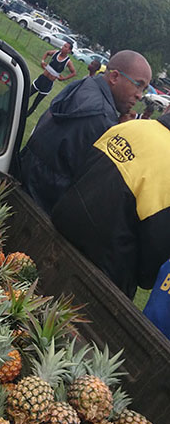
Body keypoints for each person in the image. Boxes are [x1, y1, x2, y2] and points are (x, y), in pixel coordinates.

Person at [51, 109, 170, 299]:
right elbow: (152, 266)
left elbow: (78, 173)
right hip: (100, 283)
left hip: (55, 237)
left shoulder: (131, 126)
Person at [18, 49, 151, 215]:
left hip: (22, 177)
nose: (140, 96)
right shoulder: (102, 118)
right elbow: (91, 185)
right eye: (138, 85)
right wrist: (117, 132)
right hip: (40, 209)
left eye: (144, 89)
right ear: (115, 77)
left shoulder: (84, 85)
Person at [26, 41, 76, 116]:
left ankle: (25, 116)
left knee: (35, 103)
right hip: (41, 79)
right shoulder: (55, 52)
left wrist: (64, 78)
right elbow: (47, 53)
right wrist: (42, 61)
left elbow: (74, 73)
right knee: (27, 95)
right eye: (63, 46)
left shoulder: (68, 62)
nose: (63, 47)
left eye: (65, 47)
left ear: (69, 51)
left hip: (48, 84)